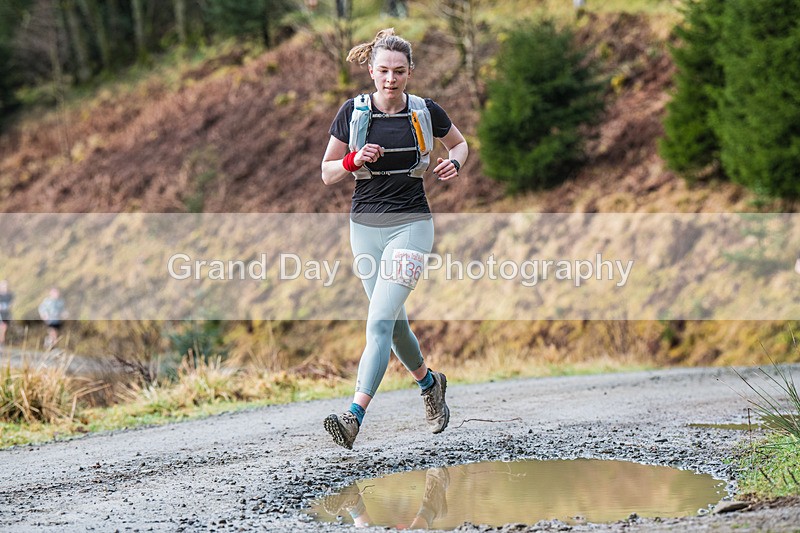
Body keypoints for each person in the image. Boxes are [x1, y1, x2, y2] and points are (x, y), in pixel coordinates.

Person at [321, 28, 468, 449]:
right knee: (396, 323)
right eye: (383, 70)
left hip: (411, 227)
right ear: (370, 70)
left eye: (399, 72)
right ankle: (429, 383)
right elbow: (328, 172)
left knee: (380, 320)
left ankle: (353, 416)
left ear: (410, 73)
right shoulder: (352, 112)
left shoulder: (425, 111)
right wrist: (352, 158)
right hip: (364, 229)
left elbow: (460, 146)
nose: (391, 79)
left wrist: (453, 163)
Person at [0, 280, 12, 345]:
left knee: (3, 330)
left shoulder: (9, 295)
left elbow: (10, 305)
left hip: (5, 315)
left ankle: (1, 344)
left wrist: (3, 307)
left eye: (5, 286)